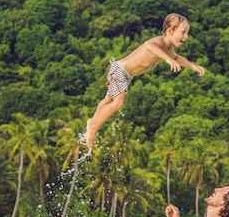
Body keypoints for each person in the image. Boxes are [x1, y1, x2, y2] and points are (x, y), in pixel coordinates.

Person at [81, 13, 205, 149]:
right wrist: (167, 59)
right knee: (118, 102)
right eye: (183, 32)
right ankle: (93, 127)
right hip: (120, 70)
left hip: (126, 75)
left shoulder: (168, 49)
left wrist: (192, 65)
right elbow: (148, 46)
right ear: (170, 31)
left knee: (109, 99)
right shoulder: (158, 43)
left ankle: (91, 122)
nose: (186, 37)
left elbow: (177, 58)